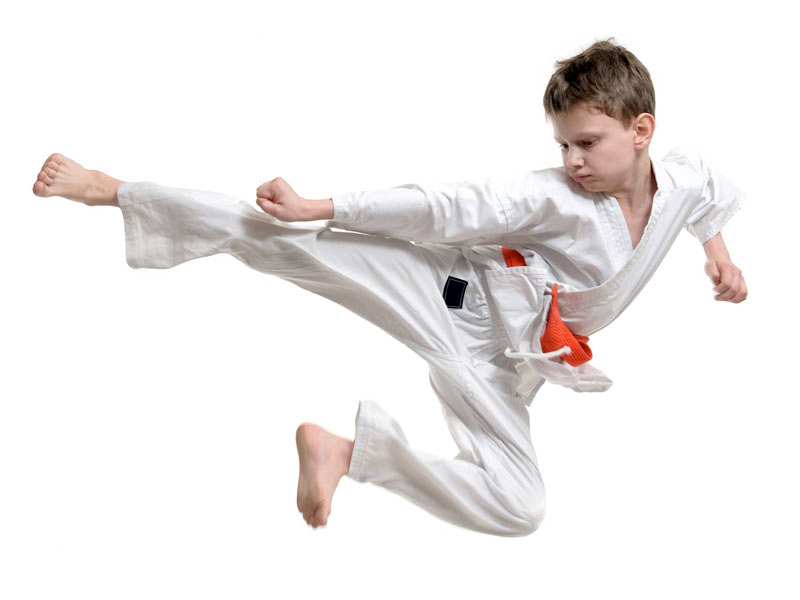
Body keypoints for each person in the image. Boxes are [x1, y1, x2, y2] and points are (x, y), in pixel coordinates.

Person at [31, 40, 747, 537]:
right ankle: (113, 190)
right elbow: (446, 204)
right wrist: (325, 207)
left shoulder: (682, 176)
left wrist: (717, 252)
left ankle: (349, 454)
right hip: (455, 298)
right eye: (563, 143)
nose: (572, 159)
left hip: (508, 368)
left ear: (642, 130)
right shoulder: (551, 196)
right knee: (283, 241)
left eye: (587, 143)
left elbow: (704, 194)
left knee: (521, 507)